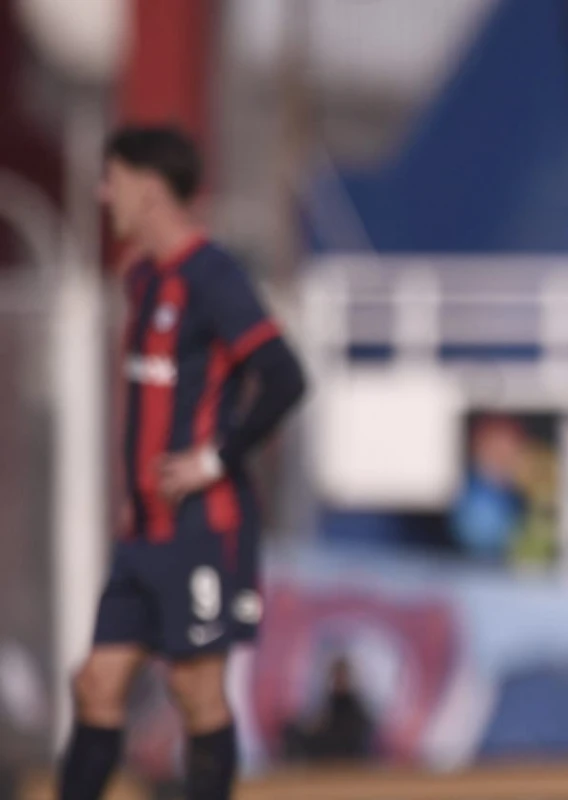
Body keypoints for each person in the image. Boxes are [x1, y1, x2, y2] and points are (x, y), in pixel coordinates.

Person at [59, 126, 306, 800]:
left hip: (204, 526)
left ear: (146, 187)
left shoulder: (213, 276)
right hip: (143, 529)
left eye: (111, 179)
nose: (102, 194)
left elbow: (284, 376)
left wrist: (213, 459)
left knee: (195, 692)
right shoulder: (143, 278)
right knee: (96, 684)